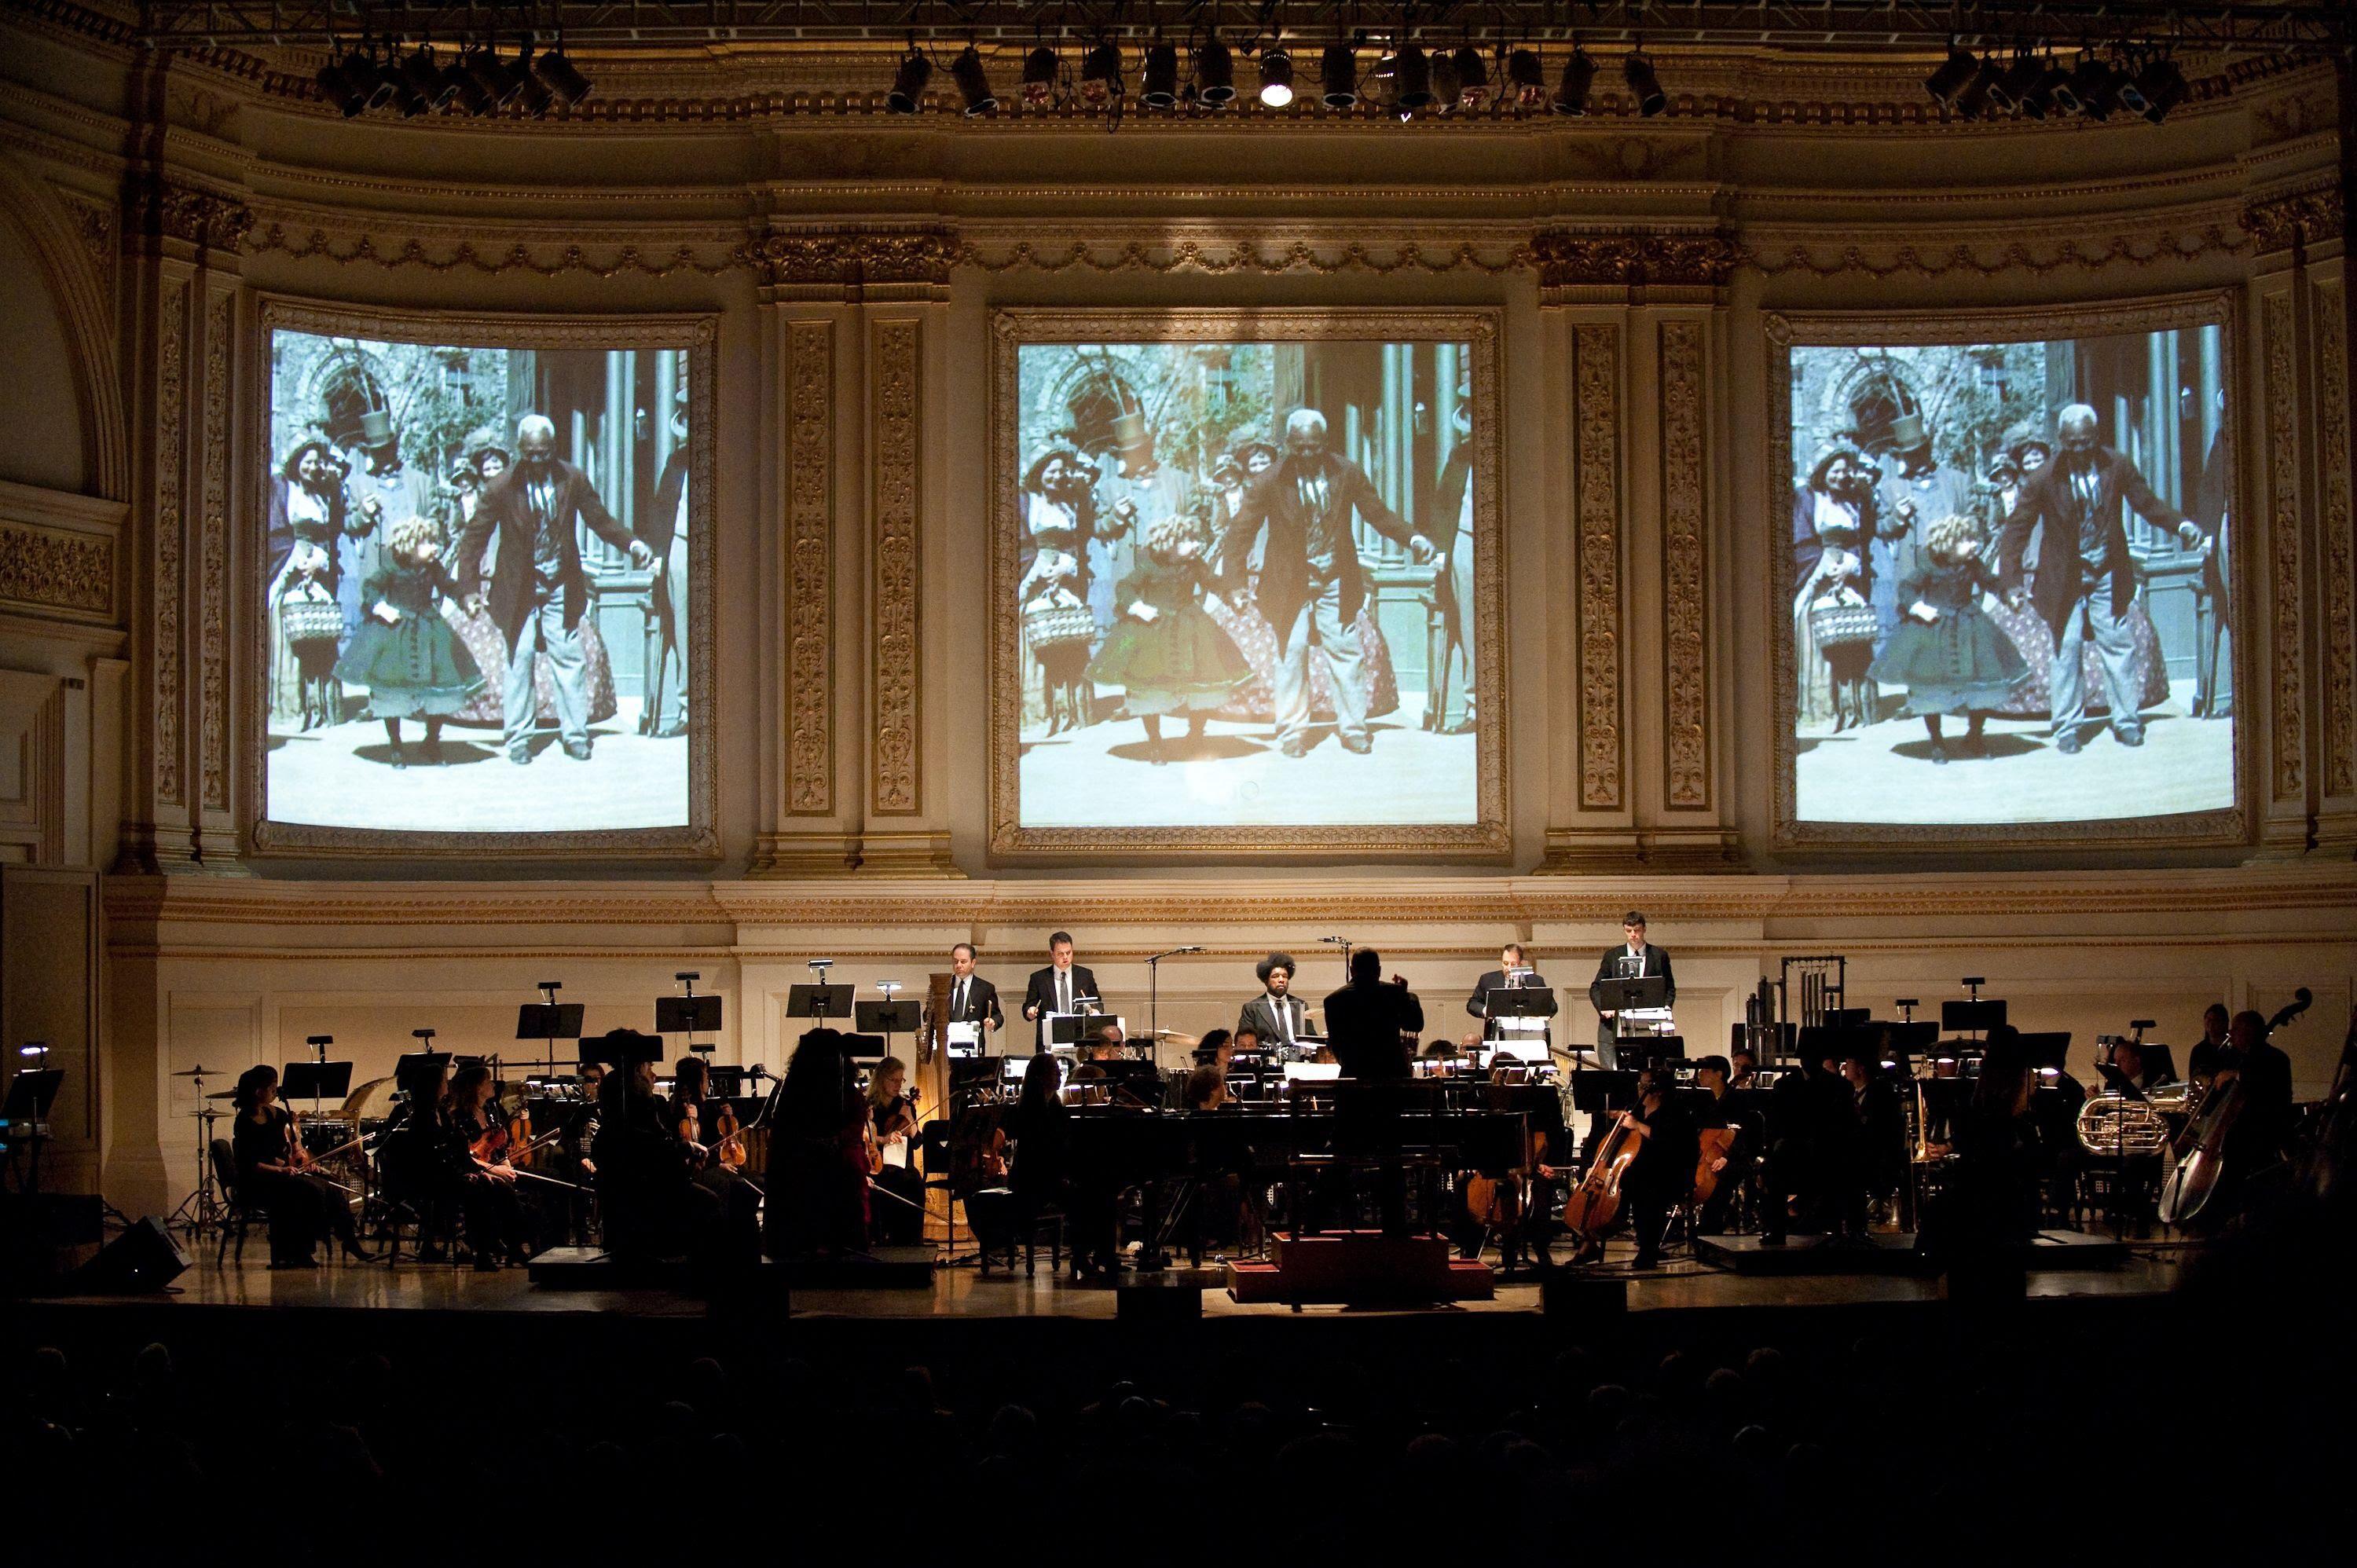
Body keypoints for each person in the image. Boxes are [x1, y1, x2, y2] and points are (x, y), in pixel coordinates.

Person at [1219, 408, 1436, 757]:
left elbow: (1376, 513)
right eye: (1300, 448)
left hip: (1336, 575)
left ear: (1324, 443)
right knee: (1290, 652)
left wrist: (1412, 538)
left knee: (1345, 651)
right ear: (1289, 444)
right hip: (1289, 580)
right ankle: (1292, 731)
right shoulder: (1270, 480)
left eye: (1314, 447)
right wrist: (1233, 583)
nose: (1307, 455)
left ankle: (1353, 728)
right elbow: (1240, 533)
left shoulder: (1346, 472)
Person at [1998, 402, 2203, 753]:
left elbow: (2146, 503)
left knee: (2117, 643)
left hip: (2107, 568)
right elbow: (2016, 531)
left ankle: (2126, 721)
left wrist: (2181, 525)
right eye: (2072, 443)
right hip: (2064, 575)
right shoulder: (2043, 478)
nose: (2079, 451)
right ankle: (2066, 726)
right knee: (2067, 646)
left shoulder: (2117, 465)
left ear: (2096, 438)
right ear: (2062, 440)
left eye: (2086, 442)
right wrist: (2012, 582)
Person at [457, 412, 656, 765]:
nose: (537, 461)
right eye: (530, 453)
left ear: (553, 449)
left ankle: (575, 734)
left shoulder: (572, 478)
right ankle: (518, 737)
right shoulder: (502, 486)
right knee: (518, 658)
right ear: (520, 450)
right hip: (518, 586)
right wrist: (469, 588)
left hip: (560, 582)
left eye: (544, 453)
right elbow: (474, 538)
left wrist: (633, 544)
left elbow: (599, 519)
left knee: (569, 657)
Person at [1083, 508, 1250, 765]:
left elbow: (1212, 582)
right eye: (1189, 540)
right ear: (1169, 543)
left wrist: (1233, 596)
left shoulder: (1195, 563)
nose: (1197, 545)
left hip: (1190, 624)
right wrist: (1137, 606)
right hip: (1153, 627)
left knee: (1202, 680)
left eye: (1197, 539)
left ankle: (1195, 735)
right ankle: (1156, 743)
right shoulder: (1149, 563)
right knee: (1150, 685)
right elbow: (1126, 587)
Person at [1867, 513, 2030, 764]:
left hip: (1969, 623)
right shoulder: (1929, 563)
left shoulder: (1973, 564)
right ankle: (1937, 741)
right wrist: (1918, 607)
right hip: (1934, 625)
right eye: (1967, 540)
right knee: (1931, 685)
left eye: (1975, 539)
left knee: (1983, 680)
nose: (1974, 544)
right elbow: (1907, 588)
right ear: (1949, 542)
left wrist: (2009, 595)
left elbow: (1991, 582)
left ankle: (1974, 736)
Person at [332, 514, 486, 768]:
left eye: (434, 541)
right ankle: (396, 745)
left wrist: (466, 599)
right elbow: (371, 587)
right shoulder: (392, 568)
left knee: (441, 684)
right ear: (410, 544)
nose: (434, 547)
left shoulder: (433, 568)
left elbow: (449, 586)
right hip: (395, 630)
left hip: (429, 626)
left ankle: (432, 741)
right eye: (427, 542)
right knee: (391, 688)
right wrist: (381, 607)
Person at [1322, 949, 1424, 1236]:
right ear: (1379, 970)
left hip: (1353, 1084)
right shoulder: (1393, 994)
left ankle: (1317, 1222)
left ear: (1352, 970)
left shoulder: (1335, 999)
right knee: (1391, 1156)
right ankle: (1395, 1225)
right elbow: (1415, 1024)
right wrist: (1406, 993)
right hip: (1389, 1086)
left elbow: (1338, 1046)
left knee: (1340, 1152)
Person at [229, 1065, 366, 1266]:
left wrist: (303, 1161)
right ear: (258, 1091)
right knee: (309, 1189)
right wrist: (281, 1169)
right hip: (259, 1180)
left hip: (282, 1175)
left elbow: (291, 1148)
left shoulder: (275, 1113)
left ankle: (349, 1240)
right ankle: (300, 1251)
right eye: (272, 1088)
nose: (276, 1092)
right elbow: (250, 1162)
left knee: (331, 1184)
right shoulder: (244, 1122)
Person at [1791, 443, 1881, 731]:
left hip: (1849, 573)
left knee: (1852, 631)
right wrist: (1826, 567)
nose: (1841, 476)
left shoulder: (1853, 500)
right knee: (1821, 633)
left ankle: (1853, 707)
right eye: (1835, 470)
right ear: (1823, 472)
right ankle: (1823, 710)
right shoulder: (1806, 499)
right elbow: (1800, 538)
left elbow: (1862, 537)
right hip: (1818, 573)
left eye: (1846, 471)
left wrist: (1851, 564)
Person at [1574, 1065, 1695, 1269]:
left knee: (1645, 1189)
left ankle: (1647, 1248)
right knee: (1623, 1184)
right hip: (1636, 1172)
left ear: (1657, 1090)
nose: (1639, 1088)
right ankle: (1591, 1240)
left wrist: (1638, 1126)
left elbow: (1670, 1143)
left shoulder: (1675, 1112)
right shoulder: (1636, 1109)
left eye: (1643, 1085)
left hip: (1666, 1171)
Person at [764, 1028, 869, 1258]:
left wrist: (833, 1140)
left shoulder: (834, 1088)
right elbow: (786, 1127)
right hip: (803, 1158)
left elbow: (854, 1123)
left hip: (829, 1153)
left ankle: (830, 1241)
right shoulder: (798, 1089)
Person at [445, 1064, 533, 1266]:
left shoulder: (491, 1111)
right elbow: (464, 1156)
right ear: (477, 1087)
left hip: (496, 1167)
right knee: (500, 1190)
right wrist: (495, 1170)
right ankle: (514, 1245)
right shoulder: (459, 1117)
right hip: (476, 1171)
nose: (492, 1084)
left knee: (546, 1177)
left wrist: (507, 1165)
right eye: (487, 1081)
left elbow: (498, 1146)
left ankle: (543, 1243)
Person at [640, 388, 691, 739]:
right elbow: (660, 509)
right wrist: (659, 554)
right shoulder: (677, 463)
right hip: (682, 548)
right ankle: (689, 708)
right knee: (685, 630)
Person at [1588, 913, 1673, 1071]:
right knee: (1613, 1076)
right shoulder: (1612, 956)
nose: (1633, 935)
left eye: (1637, 930)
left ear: (1644, 929)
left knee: (1646, 1073)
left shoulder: (1659, 955)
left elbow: (1669, 989)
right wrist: (1603, 1008)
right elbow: (1596, 988)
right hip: (1613, 1028)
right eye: (1629, 931)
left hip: (1648, 1025)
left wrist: (1664, 1011)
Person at [1692, 1055, 1761, 1236]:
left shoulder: (1737, 1101)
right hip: (1707, 1154)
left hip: (1736, 1156)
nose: (1699, 1075)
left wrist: (1726, 1157)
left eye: (1705, 1071)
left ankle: (1711, 1228)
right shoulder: (1700, 1101)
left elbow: (1744, 1135)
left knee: (1721, 1178)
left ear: (1719, 1074)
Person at [866, 1056, 926, 1246]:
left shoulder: (904, 1105)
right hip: (877, 1165)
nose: (898, 1084)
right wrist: (884, 1139)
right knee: (891, 1182)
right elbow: (865, 1136)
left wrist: (910, 1119)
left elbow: (917, 1142)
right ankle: (883, 1239)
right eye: (894, 1080)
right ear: (882, 1079)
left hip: (902, 1166)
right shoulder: (869, 1105)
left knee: (914, 1182)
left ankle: (911, 1242)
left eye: (901, 1080)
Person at [1021, 932, 1100, 1052]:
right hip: (1050, 1039)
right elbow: (1028, 1006)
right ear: (1052, 954)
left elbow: (1098, 1002)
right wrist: (1030, 1011)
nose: (1065, 957)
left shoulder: (1085, 975)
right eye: (1060, 954)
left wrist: (1096, 1010)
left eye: (1068, 953)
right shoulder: (1039, 978)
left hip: (1080, 1038)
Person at [1465, 942, 1556, 1039]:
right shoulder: (1488, 980)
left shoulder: (1536, 981)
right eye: (1505, 963)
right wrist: (1486, 1010)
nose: (1508, 968)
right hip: (1497, 1035)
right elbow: (1472, 1004)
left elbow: (1552, 1007)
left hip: (1530, 1035)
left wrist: (1540, 1014)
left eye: (1513, 964)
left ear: (1520, 964)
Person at [1237, 953, 1309, 1050]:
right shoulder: (1252, 1008)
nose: (1281, 980)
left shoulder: (1300, 1005)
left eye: (1285, 976)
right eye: (1275, 976)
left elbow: (1310, 1037)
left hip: (1298, 1061)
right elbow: (1245, 1040)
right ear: (1266, 981)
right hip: (1266, 1062)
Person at [945, 943, 1005, 1039]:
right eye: (955, 961)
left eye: (963, 962)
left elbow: (997, 1016)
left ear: (973, 963)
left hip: (973, 1045)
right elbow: (927, 1015)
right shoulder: (943, 987)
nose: (958, 965)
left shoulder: (985, 988)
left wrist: (993, 1022)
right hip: (945, 1045)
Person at [2188, 1003, 2234, 1089]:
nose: (2211, 1024)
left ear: (2225, 1023)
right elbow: (2193, 1079)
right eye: (2208, 1020)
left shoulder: (2233, 1048)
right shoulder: (2198, 1050)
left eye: (2216, 1021)